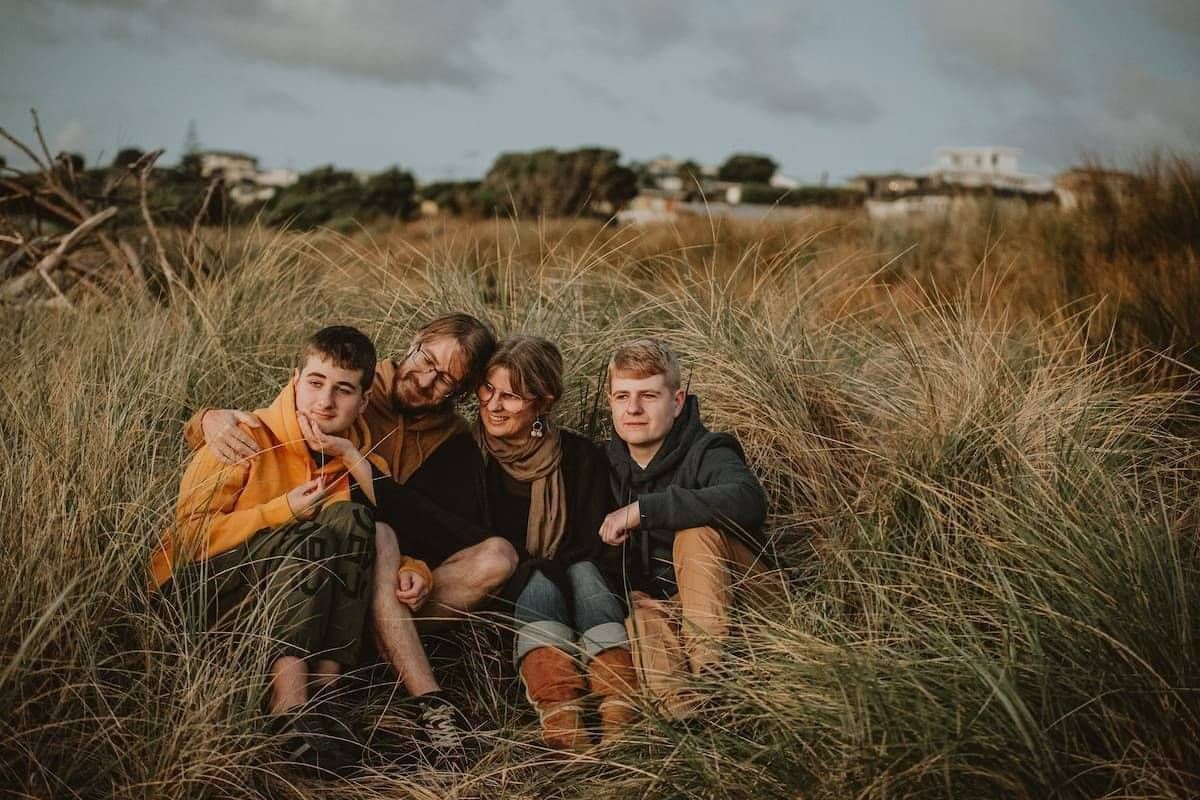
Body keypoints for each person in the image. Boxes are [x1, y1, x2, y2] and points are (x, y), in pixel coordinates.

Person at [185, 313, 516, 750]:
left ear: (460, 394)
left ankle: (340, 687)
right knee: (358, 531)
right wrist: (205, 420)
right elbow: (272, 427)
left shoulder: (449, 440)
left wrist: (417, 568)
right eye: (425, 360)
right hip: (286, 566)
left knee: (475, 552)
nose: (424, 381)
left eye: (444, 381)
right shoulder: (350, 383)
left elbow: (442, 531)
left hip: (375, 577)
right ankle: (319, 701)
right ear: (413, 343)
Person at [150, 325, 434, 771]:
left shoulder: (360, 463)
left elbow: (378, 543)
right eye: (316, 383)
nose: (325, 401)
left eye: (343, 390)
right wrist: (281, 510)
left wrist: (414, 569)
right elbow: (187, 537)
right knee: (316, 533)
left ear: (362, 402)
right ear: (295, 378)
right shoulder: (242, 435)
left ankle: (326, 697)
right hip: (195, 595)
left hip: (278, 606)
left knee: (352, 518)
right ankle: (290, 707)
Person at [474, 335, 635, 750]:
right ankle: (562, 716)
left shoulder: (580, 457)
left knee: (585, 575)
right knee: (539, 581)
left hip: (579, 574)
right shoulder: (470, 454)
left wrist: (569, 571)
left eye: (510, 396)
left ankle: (618, 707)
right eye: (488, 388)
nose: (492, 404)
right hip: (505, 584)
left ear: (543, 403)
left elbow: (597, 542)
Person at [599, 338, 769, 714]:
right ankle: (684, 714)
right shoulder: (602, 466)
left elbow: (748, 499)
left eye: (648, 396)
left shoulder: (709, 450)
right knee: (641, 614)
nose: (634, 409)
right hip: (670, 611)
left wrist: (644, 510)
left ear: (676, 402)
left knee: (694, 533)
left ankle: (713, 672)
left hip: (748, 596)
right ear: (610, 401)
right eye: (622, 396)